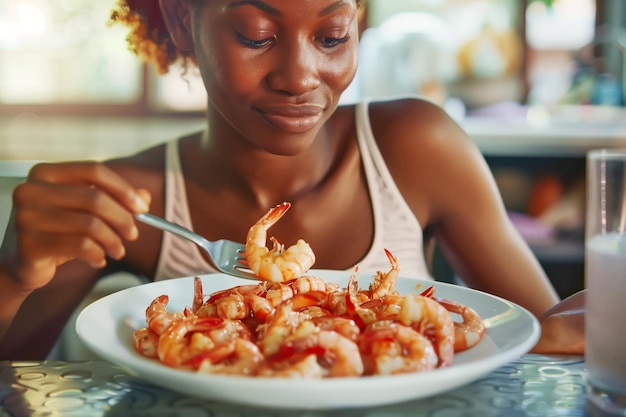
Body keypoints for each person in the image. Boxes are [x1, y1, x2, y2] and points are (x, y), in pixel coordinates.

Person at [0, 0, 584, 360]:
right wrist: (12, 276)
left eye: (332, 36)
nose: (301, 77)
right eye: (257, 35)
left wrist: (572, 329)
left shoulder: (417, 147)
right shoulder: (131, 198)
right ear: (182, 21)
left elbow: (545, 333)